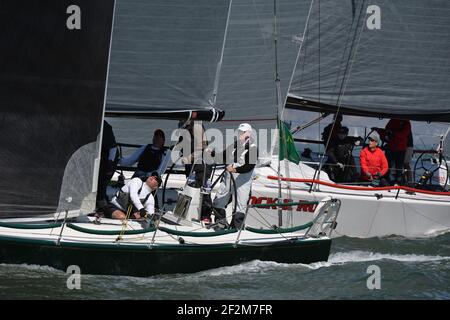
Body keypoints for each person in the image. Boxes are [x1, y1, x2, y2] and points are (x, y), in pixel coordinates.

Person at [212, 123, 258, 229]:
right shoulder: (234, 145)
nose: (240, 134)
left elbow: (249, 166)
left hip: (243, 182)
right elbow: (222, 156)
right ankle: (220, 223)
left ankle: (236, 228)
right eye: (239, 132)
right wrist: (212, 153)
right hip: (229, 179)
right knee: (220, 199)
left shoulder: (253, 148)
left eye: (243, 132)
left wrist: (235, 169)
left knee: (240, 205)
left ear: (249, 133)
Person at [179, 120, 214, 224]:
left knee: (202, 187)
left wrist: (188, 157)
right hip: (191, 165)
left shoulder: (197, 125)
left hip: (202, 164)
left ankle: (205, 216)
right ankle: (189, 212)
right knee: (190, 187)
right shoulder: (184, 127)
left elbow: (202, 146)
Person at [373, 119, 411, 185]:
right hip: (391, 147)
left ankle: (398, 183)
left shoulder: (405, 122)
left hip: (400, 149)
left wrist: (392, 133)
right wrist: (379, 130)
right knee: (387, 166)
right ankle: (385, 181)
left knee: (398, 167)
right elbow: (386, 131)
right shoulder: (393, 120)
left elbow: (403, 134)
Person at [96, 120, 119, 210]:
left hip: (109, 158)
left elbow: (113, 147)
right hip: (100, 155)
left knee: (101, 183)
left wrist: (110, 163)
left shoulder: (105, 126)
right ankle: (99, 203)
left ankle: (102, 206)